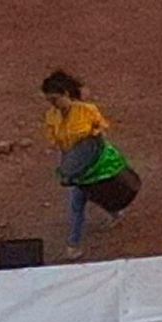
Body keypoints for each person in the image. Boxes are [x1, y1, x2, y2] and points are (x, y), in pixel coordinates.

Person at [38, 70, 140, 249]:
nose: (52, 104)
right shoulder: (51, 116)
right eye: (49, 101)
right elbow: (55, 141)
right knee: (85, 199)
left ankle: (74, 244)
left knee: (84, 199)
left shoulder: (87, 111)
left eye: (54, 99)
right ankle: (77, 241)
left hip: (95, 164)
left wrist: (90, 157)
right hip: (75, 164)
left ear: (66, 94)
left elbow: (99, 135)